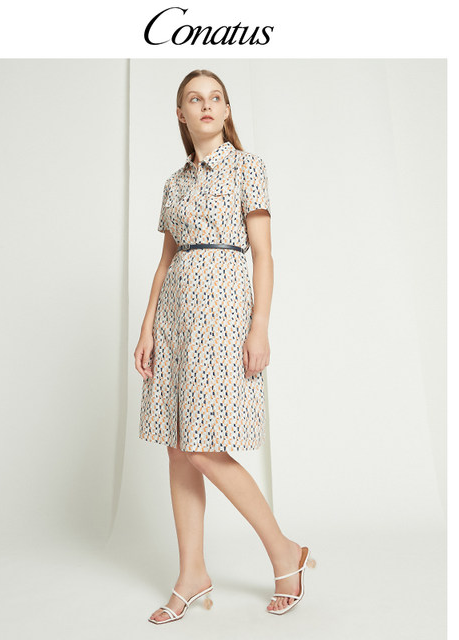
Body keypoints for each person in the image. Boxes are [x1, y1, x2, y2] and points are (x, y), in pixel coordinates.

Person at [134, 69, 316, 625]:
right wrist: (146, 327)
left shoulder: (247, 167)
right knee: (177, 445)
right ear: (181, 114)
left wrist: (259, 325)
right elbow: (165, 261)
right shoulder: (174, 183)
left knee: (203, 446)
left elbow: (263, 254)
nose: (207, 105)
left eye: (216, 97)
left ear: (228, 109)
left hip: (222, 316)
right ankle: (192, 572)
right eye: (195, 99)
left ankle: (283, 551)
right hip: (175, 319)